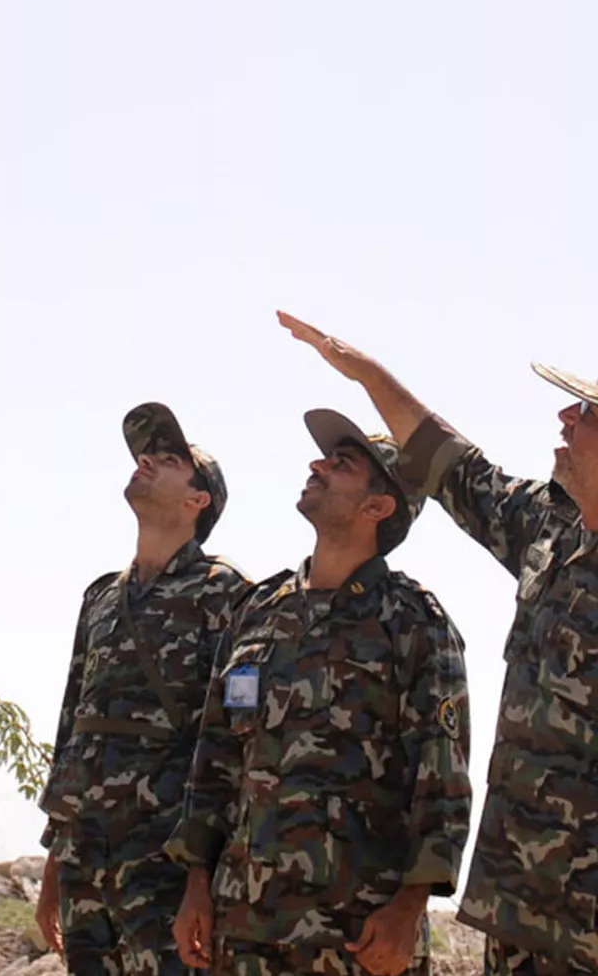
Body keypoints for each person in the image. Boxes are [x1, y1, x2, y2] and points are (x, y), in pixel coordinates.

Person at [280, 312, 598, 976]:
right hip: (521, 909)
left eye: (588, 413)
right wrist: (366, 374)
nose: (566, 417)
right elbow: (452, 463)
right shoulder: (550, 530)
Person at [169, 410, 471, 976]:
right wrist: (197, 882)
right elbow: (215, 759)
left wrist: (410, 908)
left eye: (342, 464)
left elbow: (442, 779)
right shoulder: (259, 611)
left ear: (377, 507)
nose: (317, 465)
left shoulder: (412, 622)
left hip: (356, 931)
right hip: (246, 923)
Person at [37, 402, 247, 976]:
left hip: (164, 856)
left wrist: (204, 871)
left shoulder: (225, 593)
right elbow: (72, 726)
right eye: (145, 454)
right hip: (86, 854)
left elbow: (233, 742)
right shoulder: (102, 597)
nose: (147, 461)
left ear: (198, 499)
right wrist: (55, 855)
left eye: (170, 458)